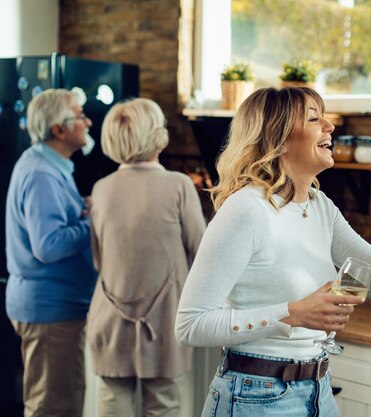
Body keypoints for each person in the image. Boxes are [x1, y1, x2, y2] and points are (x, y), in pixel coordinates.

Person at [175, 86, 371, 416]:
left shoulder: (320, 205)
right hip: (255, 395)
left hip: (317, 390)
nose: (330, 126)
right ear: (280, 139)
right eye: (314, 118)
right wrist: (292, 313)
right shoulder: (246, 210)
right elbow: (190, 325)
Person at [86, 98, 206, 417]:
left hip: (110, 316)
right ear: (156, 135)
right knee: (164, 406)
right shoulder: (179, 185)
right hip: (163, 318)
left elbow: (100, 260)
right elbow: (203, 253)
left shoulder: (101, 189)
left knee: (112, 405)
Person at [4, 88, 98, 417]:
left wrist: (81, 211)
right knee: (53, 407)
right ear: (58, 129)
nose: (87, 121)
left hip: (53, 306)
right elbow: (48, 245)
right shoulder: (42, 173)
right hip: (51, 310)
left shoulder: (47, 163)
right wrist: (94, 222)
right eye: (78, 115)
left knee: (61, 401)